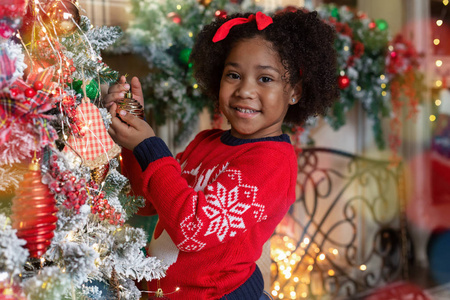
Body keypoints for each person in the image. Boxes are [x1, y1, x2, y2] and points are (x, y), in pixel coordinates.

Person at [103, 9, 338, 300]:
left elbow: (192, 229)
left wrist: (148, 146)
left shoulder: (271, 163)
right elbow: (144, 202)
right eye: (234, 75)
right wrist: (132, 138)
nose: (245, 90)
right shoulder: (206, 142)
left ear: (295, 92)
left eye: (265, 79)